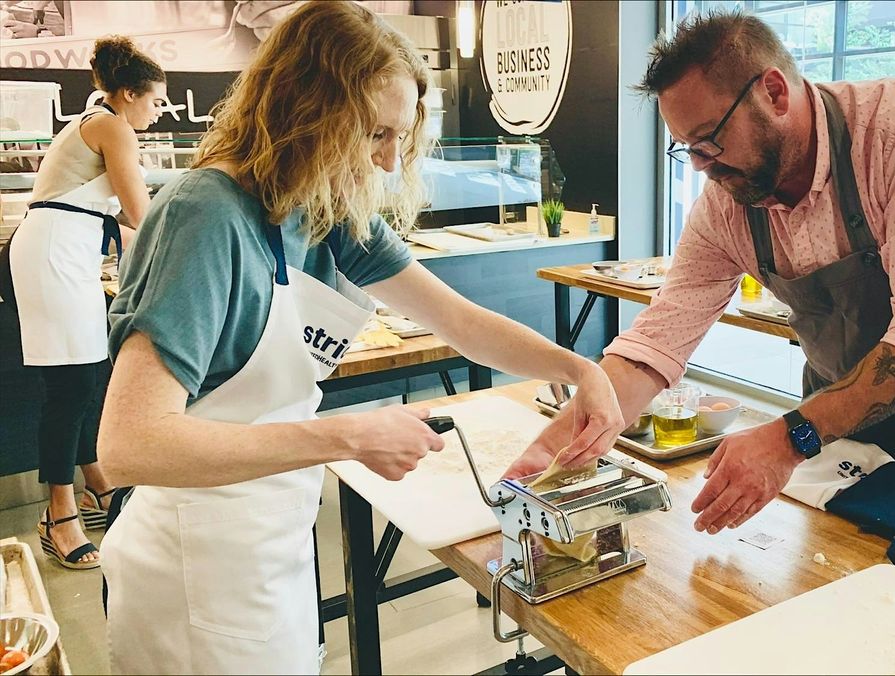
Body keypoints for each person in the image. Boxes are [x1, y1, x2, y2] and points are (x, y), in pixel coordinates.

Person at [96, 3, 622, 673]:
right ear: (305, 111)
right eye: (376, 132)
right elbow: (129, 445)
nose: (388, 160)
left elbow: (461, 323)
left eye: (401, 137)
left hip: (273, 540)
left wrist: (580, 369)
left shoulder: (327, 210)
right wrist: (349, 435)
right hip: (193, 562)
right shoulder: (205, 215)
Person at [511, 10, 895, 530]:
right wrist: (550, 449)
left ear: (774, 92)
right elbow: (659, 340)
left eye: (709, 140)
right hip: (840, 394)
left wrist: (790, 439)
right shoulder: (726, 203)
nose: (701, 167)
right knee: (843, 562)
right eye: (688, 150)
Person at [0, 35, 165, 569]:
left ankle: (95, 482)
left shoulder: (95, 122)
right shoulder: (112, 127)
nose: (158, 114)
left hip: (59, 252)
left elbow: (107, 209)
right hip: (52, 257)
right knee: (69, 385)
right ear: (126, 94)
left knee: (88, 374)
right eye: (155, 101)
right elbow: (140, 212)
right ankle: (58, 514)